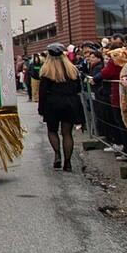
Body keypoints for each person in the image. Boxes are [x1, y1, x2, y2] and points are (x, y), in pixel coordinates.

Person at [38, 43, 84, 171]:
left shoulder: (46, 71)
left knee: (52, 130)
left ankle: (57, 154)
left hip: (52, 102)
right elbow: (78, 88)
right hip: (69, 102)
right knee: (67, 133)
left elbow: (42, 92)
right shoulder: (72, 70)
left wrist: (41, 109)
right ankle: (68, 162)